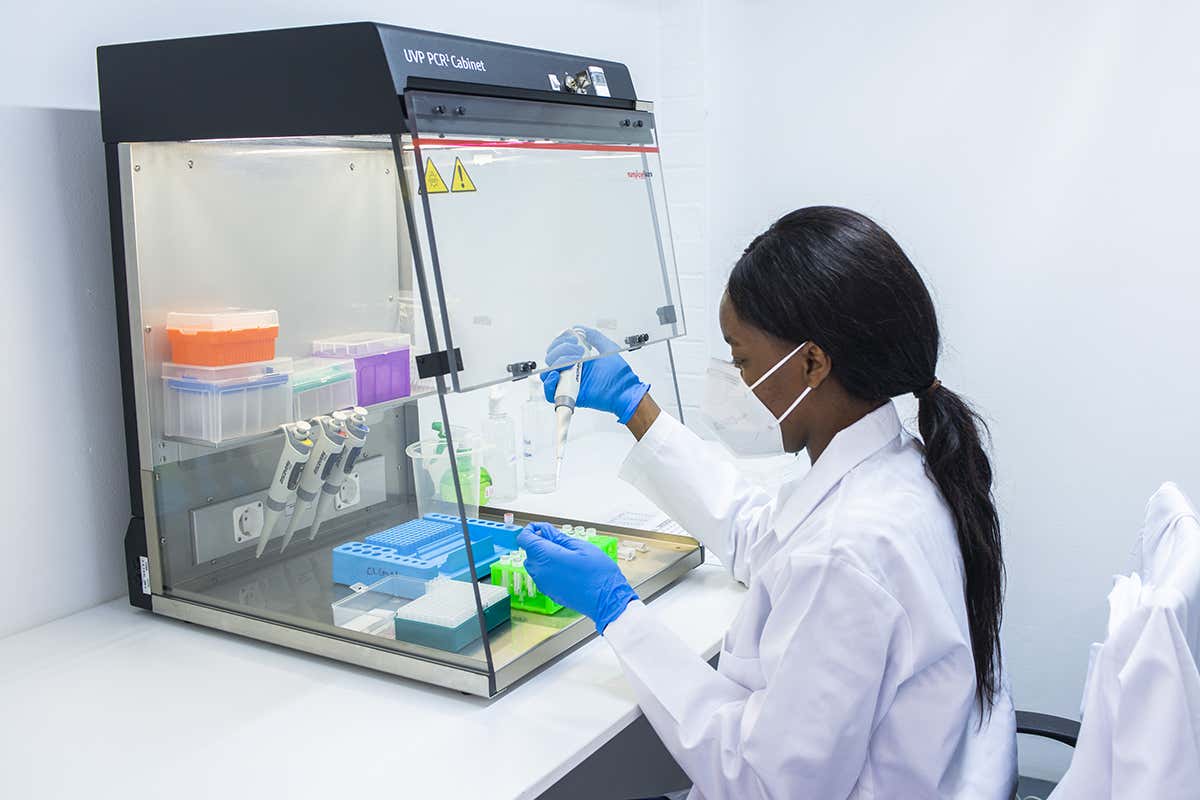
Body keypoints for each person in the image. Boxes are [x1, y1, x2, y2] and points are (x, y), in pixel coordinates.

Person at [517, 206, 1018, 799]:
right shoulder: (902, 467)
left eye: (740, 360)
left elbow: (761, 783)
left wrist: (618, 613)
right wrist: (635, 407)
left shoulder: (849, 548)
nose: (733, 380)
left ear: (812, 363)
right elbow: (766, 540)